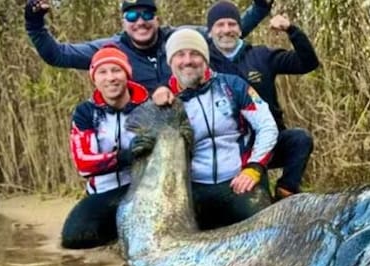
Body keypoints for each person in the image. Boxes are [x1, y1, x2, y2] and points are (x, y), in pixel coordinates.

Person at [154, 29, 278, 230]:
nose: (188, 61)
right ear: (170, 62)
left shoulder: (232, 85)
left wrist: (254, 167)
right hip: (193, 189)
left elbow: (267, 126)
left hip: (238, 181)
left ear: (205, 58)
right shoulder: (165, 101)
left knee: (264, 229)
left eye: (195, 53)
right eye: (180, 55)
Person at [24, 0, 273, 92]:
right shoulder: (112, 49)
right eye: (132, 17)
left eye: (146, 15)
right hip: (141, 135)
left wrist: (261, 6)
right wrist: (34, 22)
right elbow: (57, 55)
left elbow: (223, 35)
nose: (140, 22)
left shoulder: (180, 38)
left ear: (157, 18)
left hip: (189, 127)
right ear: (123, 22)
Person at [206, 1, 320, 200]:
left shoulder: (261, 56)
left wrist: (291, 30)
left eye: (232, 24)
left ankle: (285, 192)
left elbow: (307, 63)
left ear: (240, 28)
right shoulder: (203, 63)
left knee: (300, 139)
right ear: (210, 32)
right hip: (230, 150)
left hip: (267, 140)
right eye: (220, 25)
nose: (226, 30)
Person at [62, 46, 152, 249]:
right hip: (102, 193)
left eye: (116, 70)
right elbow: (83, 164)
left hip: (140, 192)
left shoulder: (147, 108)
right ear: (94, 79)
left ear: (127, 74)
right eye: (103, 72)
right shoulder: (86, 112)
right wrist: (126, 157)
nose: (110, 78)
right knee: (73, 238)